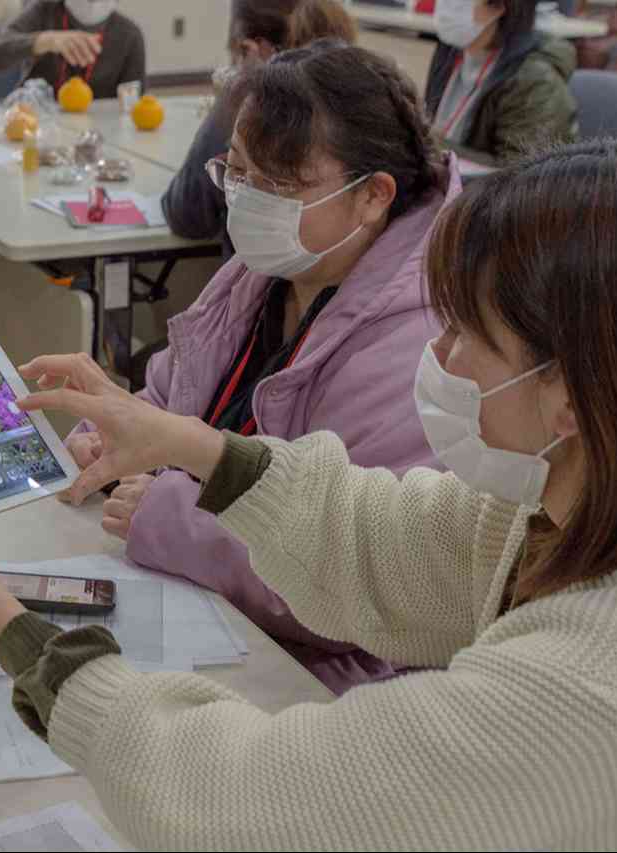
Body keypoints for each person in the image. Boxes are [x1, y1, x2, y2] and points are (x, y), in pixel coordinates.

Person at [0, 138, 617, 849]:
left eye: (469, 336)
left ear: (571, 391)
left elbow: (246, 796)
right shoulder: (560, 505)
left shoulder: (584, 696)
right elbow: (386, 537)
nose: (437, 353)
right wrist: (191, 445)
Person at [78, 42, 457, 694]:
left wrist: (169, 515)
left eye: (278, 186)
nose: (247, 203)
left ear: (373, 195)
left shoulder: (420, 340)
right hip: (200, 602)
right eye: (240, 174)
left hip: (320, 675)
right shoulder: (267, 271)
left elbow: (345, 580)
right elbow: (172, 396)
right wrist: (113, 434)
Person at [162, 0, 358, 247]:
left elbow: (186, 214)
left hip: (268, 275)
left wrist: (234, 94)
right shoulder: (366, 90)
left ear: (250, 49)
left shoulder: (259, 107)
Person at [426, 0, 577, 165]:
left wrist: (430, 146)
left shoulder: (534, 79)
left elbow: (522, 174)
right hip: (450, 180)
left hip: (493, 186)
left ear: (497, 7)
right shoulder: (450, 51)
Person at [0, 0, 145, 100]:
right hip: (39, 122)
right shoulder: (44, 11)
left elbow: (134, 100)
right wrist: (45, 40)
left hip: (97, 130)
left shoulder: (129, 34)